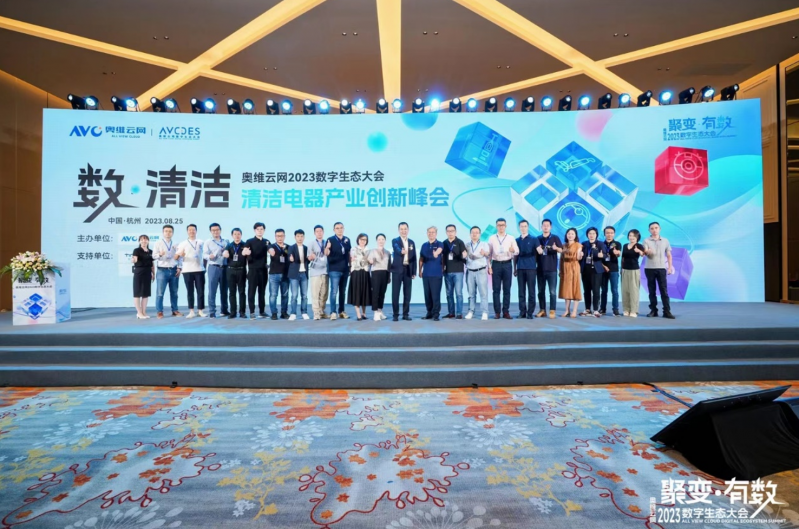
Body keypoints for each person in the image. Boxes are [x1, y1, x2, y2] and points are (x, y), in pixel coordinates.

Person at [487, 218, 519, 319]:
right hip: (496, 264)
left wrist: (513, 250)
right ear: (496, 226)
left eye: (503, 225)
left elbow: (517, 251)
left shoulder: (511, 238)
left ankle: (506, 312)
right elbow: (489, 254)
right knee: (496, 290)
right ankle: (497, 312)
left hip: (507, 264)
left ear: (506, 226)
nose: (501, 227)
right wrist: (489, 266)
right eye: (499, 225)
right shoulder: (492, 238)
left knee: (507, 289)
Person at [643, 222, 676, 319]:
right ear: (649, 230)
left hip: (661, 268)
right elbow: (645, 251)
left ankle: (667, 311)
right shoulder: (646, 240)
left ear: (660, 229)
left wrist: (669, 267)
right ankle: (653, 310)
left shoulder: (665, 240)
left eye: (656, 228)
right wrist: (647, 251)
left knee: (664, 291)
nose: (654, 230)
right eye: (652, 228)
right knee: (651, 291)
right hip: (649, 268)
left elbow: (669, 255)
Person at [152, 224, 182, 319]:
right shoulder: (158, 243)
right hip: (162, 270)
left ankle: (175, 310)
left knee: (174, 292)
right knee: (160, 293)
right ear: (163, 232)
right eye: (166, 231)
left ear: (172, 233)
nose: (168, 233)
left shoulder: (176, 244)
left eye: (170, 231)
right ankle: (159, 311)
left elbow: (180, 257)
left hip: (173, 270)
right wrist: (160, 254)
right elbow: (153, 256)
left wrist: (179, 267)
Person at [175, 224, 206, 319]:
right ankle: (191, 311)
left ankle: (200, 311)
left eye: (193, 230)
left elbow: (205, 255)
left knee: (200, 291)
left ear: (196, 231)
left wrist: (204, 267)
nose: (192, 231)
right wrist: (180, 255)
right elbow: (175, 257)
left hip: (199, 270)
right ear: (187, 231)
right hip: (187, 270)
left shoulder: (201, 242)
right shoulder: (183, 243)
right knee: (190, 291)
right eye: (190, 230)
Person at [536, 219, 562, 319]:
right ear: (541, 227)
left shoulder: (555, 238)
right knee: (540, 291)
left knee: (552, 292)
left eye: (547, 225)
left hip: (552, 270)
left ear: (550, 227)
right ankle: (542, 310)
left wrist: (556, 248)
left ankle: (552, 310)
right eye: (544, 225)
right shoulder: (538, 239)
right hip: (540, 269)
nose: (546, 227)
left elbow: (561, 250)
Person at [244, 222, 270, 319]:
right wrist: (246, 252)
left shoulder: (267, 242)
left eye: (261, 229)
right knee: (251, 292)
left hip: (263, 270)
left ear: (264, 230)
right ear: (254, 230)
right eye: (258, 229)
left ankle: (262, 311)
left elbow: (271, 252)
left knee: (262, 292)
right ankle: (252, 312)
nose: (260, 231)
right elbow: (244, 251)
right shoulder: (249, 241)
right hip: (253, 270)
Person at [391, 222, 416, 321]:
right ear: (398, 230)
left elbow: (414, 257)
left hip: (408, 270)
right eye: (401, 229)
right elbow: (396, 248)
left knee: (407, 294)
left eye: (405, 229)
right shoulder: (395, 240)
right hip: (397, 270)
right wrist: (401, 251)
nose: (403, 231)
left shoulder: (411, 242)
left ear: (408, 230)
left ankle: (405, 314)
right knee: (395, 293)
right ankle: (395, 314)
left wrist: (414, 271)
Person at [514, 219, 539, 319]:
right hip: (520, 268)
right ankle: (522, 312)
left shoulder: (534, 239)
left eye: (525, 226)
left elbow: (538, 253)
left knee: (531, 291)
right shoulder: (516, 240)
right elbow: (515, 255)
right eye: (521, 226)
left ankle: (530, 312)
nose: (523, 228)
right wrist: (515, 268)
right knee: (521, 292)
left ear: (528, 227)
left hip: (531, 268)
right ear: (519, 228)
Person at [203, 223, 229, 319]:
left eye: (217, 230)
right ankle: (212, 311)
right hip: (213, 267)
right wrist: (209, 256)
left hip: (225, 267)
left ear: (220, 230)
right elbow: (204, 254)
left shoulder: (226, 241)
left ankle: (224, 310)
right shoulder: (208, 242)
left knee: (224, 290)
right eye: (213, 230)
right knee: (212, 290)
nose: (215, 232)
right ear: (210, 231)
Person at [326, 222, 351, 320]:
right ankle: (333, 312)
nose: (339, 230)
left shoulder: (347, 240)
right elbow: (326, 253)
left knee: (342, 292)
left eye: (341, 228)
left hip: (345, 269)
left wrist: (350, 266)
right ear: (334, 230)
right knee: (334, 291)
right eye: (337, 228)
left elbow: (349, 253)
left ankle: (341, 311)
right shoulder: (330, 239)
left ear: (343, 229)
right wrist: (327, 247)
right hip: (334, 270)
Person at [465, 226, 490, 320]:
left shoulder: (484, 244)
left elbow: (488, 255)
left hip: (481, 271)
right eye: (472, 232)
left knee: (483, 293)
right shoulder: (467, 245)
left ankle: (484, 312)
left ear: (479, 234)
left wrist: (485, 253)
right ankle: (471, 311)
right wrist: (463, 255)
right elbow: (464, 257)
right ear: (470, 234)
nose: (474, 234)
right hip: (470, 271)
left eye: (476, 232)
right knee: (471, 293)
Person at [442, 224, 468, 319]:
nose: (450, 233)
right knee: (449, 294)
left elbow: (464, 256)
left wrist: (464, 256)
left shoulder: (460, 242)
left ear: (455, 232)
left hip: (458, 272)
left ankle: (459, 313)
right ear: (446, 232)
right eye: (448, 231)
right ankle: (451, 313)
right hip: (447, 271)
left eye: (452, 231)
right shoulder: (444, 243)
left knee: (458, 293)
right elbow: (442, 258)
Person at [419, 226, 444, 321]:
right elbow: (421, 258)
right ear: (427, 233)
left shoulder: (440, 243)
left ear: (436, 234)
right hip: (426, 274)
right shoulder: (424, 245)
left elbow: (440, 250)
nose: (431, 234)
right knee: (427, 295)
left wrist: (436, 253)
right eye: (429, 232)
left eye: (433, 232)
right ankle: (429, 313)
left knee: (435, 295)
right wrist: (420, 270)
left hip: (436, 274)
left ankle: (436, 314)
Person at [558, 228, 583, 318]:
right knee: (566, 289)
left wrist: (580, 255)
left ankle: (574, 310)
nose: (570, 235)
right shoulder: (563, 245)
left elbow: (578, 257)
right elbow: (561, 259)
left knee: (575, 288)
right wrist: (560, 270)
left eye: (572, 234)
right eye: (569, 233)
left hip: (574, 267)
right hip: (565, 268)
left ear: (575, 235)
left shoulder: (578, 245)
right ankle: (567, 310)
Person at [222, 228, 247, 319]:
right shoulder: (229, 245)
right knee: (232, 292)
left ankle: (242, 312)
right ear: (232, 235)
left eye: (238, 234)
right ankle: (233, 312)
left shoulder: (245, 245)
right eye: (235, 234)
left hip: (241, 270)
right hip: (231, 270)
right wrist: (225, 253)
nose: (237, 236)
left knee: (242, 292)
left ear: (241, 235)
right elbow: (225, 253)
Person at [580, 227, 603, 318]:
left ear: (596, 235)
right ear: (587, 235)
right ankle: (587, 309)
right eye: (590, 233)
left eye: (593, 233)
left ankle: (596, 309)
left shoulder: (600, 244)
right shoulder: (584, 244)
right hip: (585, 270)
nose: (591, 235)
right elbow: (581, 257)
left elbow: (604, 255)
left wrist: (595, 250)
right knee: (586, 291)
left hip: (596, 271)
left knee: (596, 290)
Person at [348, 233, 372, 320]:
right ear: (358, 240)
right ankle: (358, 314)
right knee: (357, 292)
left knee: (364, 292)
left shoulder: (369, 250)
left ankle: (364, 313)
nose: (363, 241)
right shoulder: (353, 249)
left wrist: (370, 261)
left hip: (365, 272)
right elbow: (350, 260)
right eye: (361, 239)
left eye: (364, 240)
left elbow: (370, 262)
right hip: (356, 272)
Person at [622, 229, 646, 317]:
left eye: (633, 236)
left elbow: (643, 254)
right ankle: (626, 309)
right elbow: (623, 258)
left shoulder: (639, 245)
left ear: (637, 237)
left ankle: (634, 310)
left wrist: (639, 251)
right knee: (625, 290)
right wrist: (621, 269)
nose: (631, 237)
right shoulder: (625, 245)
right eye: (630, 235)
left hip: (634, 270)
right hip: (625, 270)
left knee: (634, 291)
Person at [287, 229, 310, 321]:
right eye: (298, 236)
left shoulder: (306, 248)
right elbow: (289, 257)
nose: (300, 238)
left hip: (304, 274)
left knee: (304, 295)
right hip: (294, 275)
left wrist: (310, 258)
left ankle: (304, 312)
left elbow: (308, 260)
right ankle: (293, 313)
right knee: (294, 295)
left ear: (304, 237)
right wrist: (290, 259)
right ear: (295, 237)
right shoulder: (291, 247)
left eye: (301, 236)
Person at [307, 225, 329, 320]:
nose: (319, 233)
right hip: (315, 272)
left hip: (325, 271)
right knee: (315, 294)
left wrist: (328, 248)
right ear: (314, 233)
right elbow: (309, 257)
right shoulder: (311, 243)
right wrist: (311, 256)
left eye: (321, 231)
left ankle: (321, 311)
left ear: (323, 232)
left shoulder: (327, 242)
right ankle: (316, 312)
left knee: (324, 294)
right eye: (317, 231)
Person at [599, 226, 622, 317]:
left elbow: (618, 253)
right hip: (603, 270)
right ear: (604, 234)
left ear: (614, 234)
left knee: (614, 290)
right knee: (603, 290)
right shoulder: (601, 244)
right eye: (607, 233)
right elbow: (598, 258)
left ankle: (615, 309)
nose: (609, 234)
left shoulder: (617, 244)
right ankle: (602, 308)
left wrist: (617, 253)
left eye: (611, 233)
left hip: (614, 270)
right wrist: (603, 266)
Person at [268, 229, 290, 320]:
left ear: (284, 236)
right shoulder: (272, 246)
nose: (280, 238)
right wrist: (270, 250)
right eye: (278, 236)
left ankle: (284, 313)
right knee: (273, 295)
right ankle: (274, 313)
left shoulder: (288, 247)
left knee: (285, 295)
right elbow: (269, 249)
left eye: (281, 236)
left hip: (285, 274)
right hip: (274, 274)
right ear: (275, 237)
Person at [131, 234, 155, 319]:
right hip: (139, 272)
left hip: (148, 272)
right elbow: (135, 259)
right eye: (142, 239)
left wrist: (153, 273)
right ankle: (139, 312)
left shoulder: (151, 251)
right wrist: (133, 260)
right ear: (139, 241)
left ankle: (144, 312)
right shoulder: (136, 250)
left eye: (145, 239)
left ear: (148, 241)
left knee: (145, 294)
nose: (144, 241)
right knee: (137, 293)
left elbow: (152, 263)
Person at [369, 234, 391, 321]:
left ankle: (380, 310)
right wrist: (371, 261)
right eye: (379, 239)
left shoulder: (388, 252)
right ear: (376, 241)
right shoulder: (372, 251)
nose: (381, 241)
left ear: (385, 241)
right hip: (376, 272)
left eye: (382, 239)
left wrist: (389, 276)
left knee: (382, 293)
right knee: (375, 293)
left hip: (385, 273)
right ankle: (375, 312)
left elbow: (389, 266)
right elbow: (370, 261)